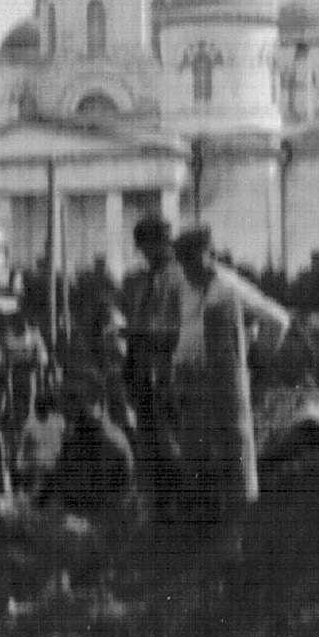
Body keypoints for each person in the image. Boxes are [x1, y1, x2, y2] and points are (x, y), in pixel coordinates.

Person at [171, 227, 290, 564]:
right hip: (192, 384)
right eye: (184, 263)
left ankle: (235, 543)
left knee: (232, 461)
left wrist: (256, 360)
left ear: (210, 254)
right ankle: (201, 540)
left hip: (223, 385)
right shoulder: (187, 287)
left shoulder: (229, 288)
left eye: (195, 261)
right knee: (194, 459)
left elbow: (278, 320)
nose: (189, 269)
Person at [40, 307, 142, 524]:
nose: (122, 341)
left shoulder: (126, 375)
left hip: (110, 506)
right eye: (116, 334)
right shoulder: (75, 440)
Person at [121, 215, 189, 521]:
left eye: (148, 248)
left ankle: (177, 506)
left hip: (167, 370)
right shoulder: (143, 280)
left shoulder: (180, 278)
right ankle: (160, 508)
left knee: (169, 439)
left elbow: (179, 328)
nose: (145, 255)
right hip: (142, 369)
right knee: (150, 441)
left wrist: (142, 334)